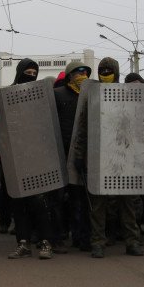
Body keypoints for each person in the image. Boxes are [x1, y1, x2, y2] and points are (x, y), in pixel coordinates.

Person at [73, 57, 144, 259]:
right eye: (102, 70)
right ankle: (98, 243)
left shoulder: (128, 94)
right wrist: (79, 155)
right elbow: (83, 129)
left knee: (128, 202)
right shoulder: (93, 97)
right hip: (99, 157)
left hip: (124, 156)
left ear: (116, 72)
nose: (105, 73)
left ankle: (132, 241)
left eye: (108, 70)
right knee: (98, 204)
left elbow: (139, 126)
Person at [6, 59, 57, 261]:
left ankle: (46, 242)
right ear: (19, 72)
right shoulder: (7, 95)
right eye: (27, 71)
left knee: (40, 203)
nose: (31, 75)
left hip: (37, 157)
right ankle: (23, 243)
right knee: (19, 206)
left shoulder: (40, 95)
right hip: (15, 159)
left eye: (34, 72)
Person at [53, 60, 92, 252]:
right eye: (78, 72)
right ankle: (59, 235)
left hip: (81, 153)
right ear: (70, 75)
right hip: (61, 151)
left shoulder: (91, 95)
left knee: (81, 199)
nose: (82, 75)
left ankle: (81, 236)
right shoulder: (58, 94)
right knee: (60, 198)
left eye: (85, 72)